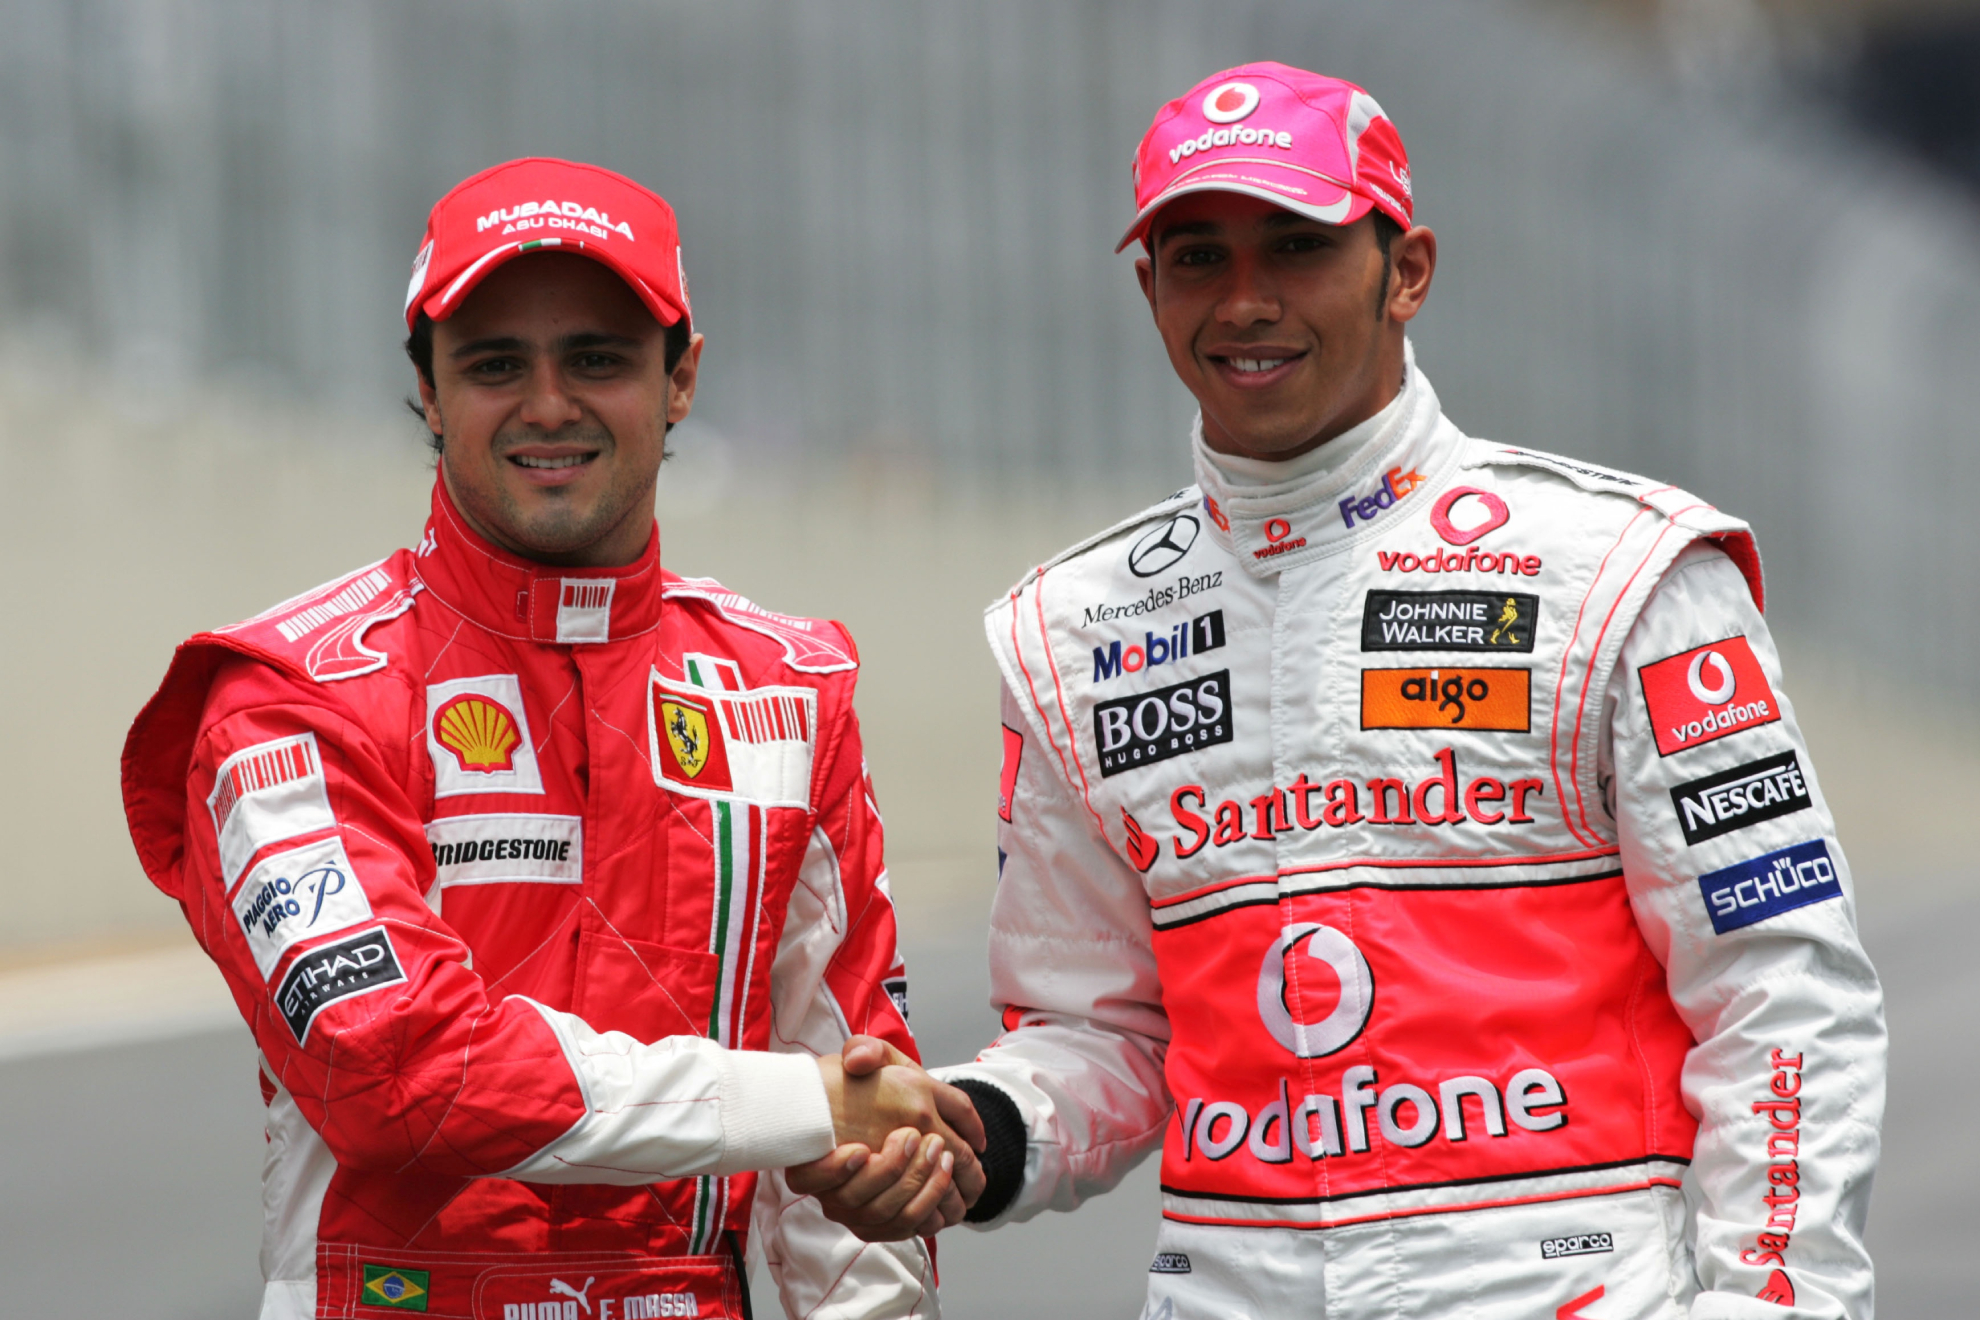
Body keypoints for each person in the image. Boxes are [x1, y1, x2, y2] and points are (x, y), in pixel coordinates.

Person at [802, 63, 1885, 1318]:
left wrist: (1775, 1304)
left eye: (1301, 247)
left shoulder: (1619, 571)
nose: (1247, 302)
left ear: (1406, 269)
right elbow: (1101, 1031)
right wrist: (976, 1131)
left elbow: (1782, 987)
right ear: (1151, 290)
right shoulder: (1076, 630)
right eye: (1198, 257)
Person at [120, 157, 980, 1320]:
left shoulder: (790, 689)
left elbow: (863, 1110)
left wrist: (873, 1173)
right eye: (492, 364)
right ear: (424, 389)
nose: (548, 405)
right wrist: (807, 1105)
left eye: (597, 358)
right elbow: (398, 1072)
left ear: (681, 380)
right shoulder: (289, 699)